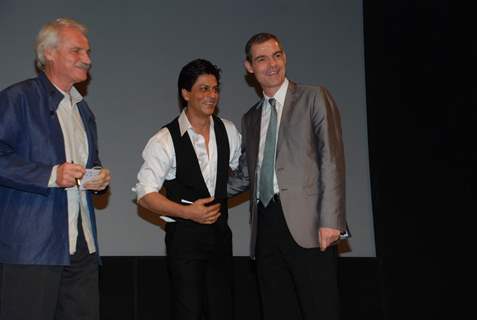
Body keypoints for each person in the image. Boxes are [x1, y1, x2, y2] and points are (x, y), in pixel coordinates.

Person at [228, 33, 347, 320]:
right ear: (249, 67)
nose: (272, 64)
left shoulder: (314, 96)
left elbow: (332, 159)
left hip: (309, 225)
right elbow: (246, 175)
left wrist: (332, 221)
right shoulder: (250, 117)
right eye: (262, 59)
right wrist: (200, 188)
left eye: (277, 55)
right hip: (265, 226)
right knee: (277, 309)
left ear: (285, 57)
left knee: (321, 309)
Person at [0, 18, 111, 320]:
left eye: (88, 52)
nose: (87, 59)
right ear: (49, 53)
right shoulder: (17, 98)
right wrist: (51, 175)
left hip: (82, 248)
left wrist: (97, 177)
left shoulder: (83, 110)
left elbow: (89, 164)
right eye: (77, 51)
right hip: (32, 251)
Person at [136, 58, 241, 320]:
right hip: (184, 243)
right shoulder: (164, 139)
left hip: (220, 240)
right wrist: (187, 212)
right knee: (188, 312)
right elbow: (145, 195)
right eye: (204, 88)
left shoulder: (228, 131)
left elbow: (238, 175)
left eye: (215, 88)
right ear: (186, 93)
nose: (212, 95)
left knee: (222, 311)